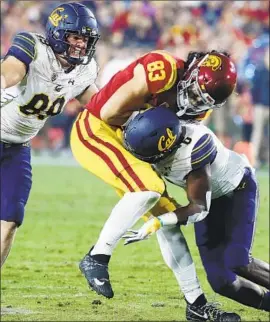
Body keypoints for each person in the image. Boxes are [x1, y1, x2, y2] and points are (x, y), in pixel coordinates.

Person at [71, 50, 241, 320]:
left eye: (203, 99)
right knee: (147, 187)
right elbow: (109, 112)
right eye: (195, 91)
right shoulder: (163, 68)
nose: (195, 101)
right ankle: (98, 256)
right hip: (97, 130)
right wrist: (147, 126)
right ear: (193, 70)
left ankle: (195, 303)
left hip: (131, 142)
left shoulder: (200, 111)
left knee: (166, 215)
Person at [122, 106, 270, 314]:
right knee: (222, 282)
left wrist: (158, 222)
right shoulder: (165, 126)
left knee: (238, 260)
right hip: (209, 197)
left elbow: (199, 208)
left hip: (237, 190)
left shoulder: (195, 151)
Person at [0, 2, 100, 267]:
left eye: (86, 39)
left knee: (10, 220)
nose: (81, 45)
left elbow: (101, 105)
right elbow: (12, 69)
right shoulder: (32, 45)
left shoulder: (83, 70)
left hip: (17, 148)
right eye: (76, 37)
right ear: (58, 33)